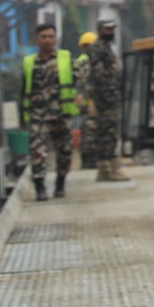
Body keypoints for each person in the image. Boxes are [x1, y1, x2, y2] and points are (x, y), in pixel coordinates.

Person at [21, 22, 78, 200]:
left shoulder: (65, 58)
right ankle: (40, 188)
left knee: (65, 151)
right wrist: (23, 115)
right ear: (37, 39)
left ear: (55, 39)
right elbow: (24, 90)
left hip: (62, 113)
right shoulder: (29, 62)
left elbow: (79, 79)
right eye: (43, 37)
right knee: (37, 150)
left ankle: (60, 183)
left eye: (51, 36)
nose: (47, 40)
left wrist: (81, 96)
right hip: (39, 114)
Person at [87, 19, 130, 182]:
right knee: (108, 134)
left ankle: (105, 170)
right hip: (106, 100)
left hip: (109, 98)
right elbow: (98, 75)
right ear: (99, 30)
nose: (110, 32)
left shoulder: (106, 48)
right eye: (107, 29)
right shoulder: (98, 48)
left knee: (107, 134)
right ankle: (110, 170)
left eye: (112, 29)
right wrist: (107, 94)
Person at [75, 31, 98, 169]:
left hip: (92, 103)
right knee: (89, 132)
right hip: (88, 104)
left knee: (91, 132)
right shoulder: (84, 62)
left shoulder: (81, 62)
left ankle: (91, 161)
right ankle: (89, 162)